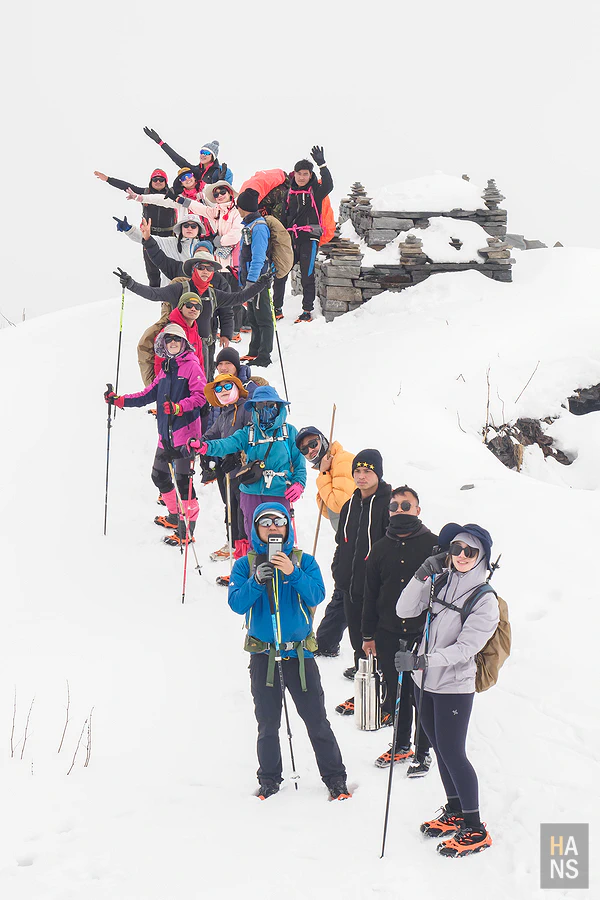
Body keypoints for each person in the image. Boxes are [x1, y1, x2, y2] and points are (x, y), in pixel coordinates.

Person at [228, 502, 351, 800]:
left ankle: (335, 778)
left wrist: (292, 572)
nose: (272, 527)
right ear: (256, 528)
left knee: (316, 720)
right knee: (267, 723)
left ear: (287, 527)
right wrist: (257, 581)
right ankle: (269, 779)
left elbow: (318, 594)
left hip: (299, 656)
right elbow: (236, 603)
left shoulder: (303, 561)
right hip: (264, 656)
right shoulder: (246, 565)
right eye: (265, 522)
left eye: (278, 521)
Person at [394, 523, 498, 857]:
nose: (462, 556)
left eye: (470, 551)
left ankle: (475, 827)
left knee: (453, 751)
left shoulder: (484, 599)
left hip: (453, 686)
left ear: (481, 556)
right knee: (439, 747)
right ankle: (456, 811)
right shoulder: (440, 580)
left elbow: (466, 648)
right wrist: (421, 574)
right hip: (424, 682)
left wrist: (423, 660)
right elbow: (404, 609)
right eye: (456, 549)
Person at [104, 324, 207, 547]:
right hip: (166, 435)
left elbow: (201, 397)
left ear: (183, 344)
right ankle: (173, 516)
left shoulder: (191, 367)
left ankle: (186, 530)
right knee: (158, 476)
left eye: (177, 340)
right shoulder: (166, 369)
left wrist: (179, 407)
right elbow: (147, 394)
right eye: (169, 340)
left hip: (186, 436)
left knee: (183, 484)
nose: (173, 343)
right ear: (164, 344)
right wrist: (119, 400)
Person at [361, 486, 438, 773]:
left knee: (422, 694)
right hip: (389, 632)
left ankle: (424, 750)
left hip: (424, 633)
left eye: (406, 505)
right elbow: (369, 594)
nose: (399, 510)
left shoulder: (434, 545)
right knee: (397, 690)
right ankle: (401, 744)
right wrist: (367, 636)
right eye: (394, 506)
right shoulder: (379, 548)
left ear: (418, 509)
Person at [114, 247, 270, 381]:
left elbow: (239, 298)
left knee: (204, 384)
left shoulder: (214, 294)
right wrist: (131, 284)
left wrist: (262, 283)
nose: (205, 271)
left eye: (210, 269)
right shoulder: (179, 288)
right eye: (201, 267)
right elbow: (154, 294)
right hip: (179, 347)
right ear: (194, 269)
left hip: (204, 347)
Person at [127, 181, 243, 338]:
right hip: (175, 298)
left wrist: (227, 332)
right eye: (186, 225)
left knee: (204, 337)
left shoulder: (211, 253)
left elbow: (226, 303)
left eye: (193, 226)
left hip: (203, 312)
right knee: (172, 339)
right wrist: (131, 229)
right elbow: (153, 246)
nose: (189, 228)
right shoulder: (172, 244)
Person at [197, 385, 306, 539]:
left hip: (279, 492)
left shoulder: (289, 432)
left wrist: (299, 484)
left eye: (270, 405)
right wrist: (205, 447)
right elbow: (227, 444)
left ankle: (280, 563)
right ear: (254, 408)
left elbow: (299, 462)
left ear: (278, 406)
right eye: (260, 405)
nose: (265, 409)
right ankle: (254, 563)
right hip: (251, 493)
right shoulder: (248, 432)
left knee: (279, 538)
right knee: (254, 537)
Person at [331, 450, 391, 713]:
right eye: (357, 471)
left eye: (367, 471)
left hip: (377, 592)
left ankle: (386, 698)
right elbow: (341, 544)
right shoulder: (350, 504)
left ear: (377, 473)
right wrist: (338, 572)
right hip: (351, 589)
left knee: (378, 646)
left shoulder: (389, 504)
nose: (361, 476)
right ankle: (366, 693)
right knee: (358, 645)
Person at [294, 427, 355, 659]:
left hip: (362, 542)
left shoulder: (342, 461)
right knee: (344, 590)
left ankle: (329, 642)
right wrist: (324, 476)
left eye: (313, 444)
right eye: (304, 449)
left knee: (349, 592)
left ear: (323, 440)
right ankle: (327, 642)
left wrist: (322, 475)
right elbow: (328, 511)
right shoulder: (330, 468)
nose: (310, 450)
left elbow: (338, 503)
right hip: (348, 540)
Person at [272, 147, 333, 323]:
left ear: (310, 175)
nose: (301, 177)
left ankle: (307, 311)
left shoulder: (317, 191)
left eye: (305, 174)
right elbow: (284, 216)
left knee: (307, 274)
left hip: (310, 238)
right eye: (298, 173)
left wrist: (322, 164)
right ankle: (277, 309)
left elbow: (329, 184)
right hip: (291, 238)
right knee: (281, 274)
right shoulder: (289, 193)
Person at [202, 372, 253, 574]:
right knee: (234, 519)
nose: (223, 391)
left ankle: (248, 568)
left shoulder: (245, 409)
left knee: (244, 521)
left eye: (227, 386)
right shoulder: (223, 414)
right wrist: (201, 447)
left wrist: (237, 454)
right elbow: (212, 434)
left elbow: (252, 435)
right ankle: (240, 568)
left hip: (245, 474)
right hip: (229, 474)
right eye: (218, 388)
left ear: (237, 387)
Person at [95, 167, 176, 287]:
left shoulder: (173, 194)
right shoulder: (144, 193)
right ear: (151, 181)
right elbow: (125, 186)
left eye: (161, 179)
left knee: (170, 271)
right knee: (152, 272)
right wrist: (108, 179)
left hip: (168, 236)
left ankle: (173, 298)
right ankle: (153, 297)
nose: (158, 181)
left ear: (166, 181)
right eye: (155, 179)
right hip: (149, 235)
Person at [236, 188, 273, 368]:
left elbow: (258, 257)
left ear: (243, 207)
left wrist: (251, 282)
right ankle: (254, 351)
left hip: (259, 280)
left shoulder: (258, 227)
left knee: (264, 317)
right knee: (254, 317)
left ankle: (264, 355)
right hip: (251, 279)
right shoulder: (250, 225)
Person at [143, 128, 233, 190]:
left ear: (213, 156)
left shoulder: (219, 171)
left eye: (206, 153)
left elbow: (226, 192)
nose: (203, 155)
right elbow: (178, 159)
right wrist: (160, 142)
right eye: (201, 152)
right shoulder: (196, 171)